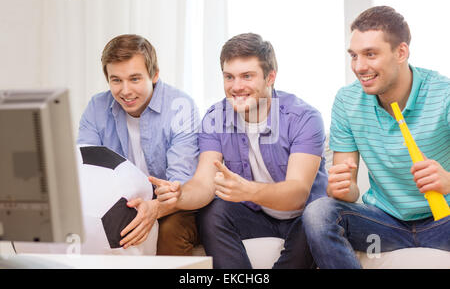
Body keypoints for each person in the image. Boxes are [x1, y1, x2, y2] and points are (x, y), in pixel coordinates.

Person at [152, 33, 328, 268]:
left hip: (301, 216)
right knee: (213, 211)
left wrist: (249, 191)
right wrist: (180, 195)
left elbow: (297, 194)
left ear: (270, 77)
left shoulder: (304, 118)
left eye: (247, 76)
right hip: (254, 215)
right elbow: (204, 184)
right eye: (229, 77)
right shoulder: (215, 118)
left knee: (316, 218)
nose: (236, 87)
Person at [302, 6, 450, 269]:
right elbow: (350, 191)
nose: (359, 67)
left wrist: (448, 181)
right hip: (384, 223)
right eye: (354, 56)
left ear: (401, 52)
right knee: (319, 212)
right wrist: (343, 188)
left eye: (370, 54)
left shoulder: (443, 94)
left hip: (443, 222)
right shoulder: (347, 101)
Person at [77, 34, 200, 254]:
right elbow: (85, 172)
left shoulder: (181, 106)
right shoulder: (97, 107)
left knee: (170, 230)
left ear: (154, 75)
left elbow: (179, 184)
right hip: (118, 202)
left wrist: (154, 209)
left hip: (171, 204)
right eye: (116, 80)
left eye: (135, 79)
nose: (125, 91)